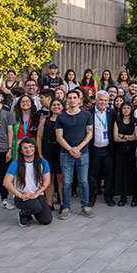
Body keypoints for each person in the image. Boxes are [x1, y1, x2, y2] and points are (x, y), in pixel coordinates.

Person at [55, 89, 94, 220]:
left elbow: (89, 134)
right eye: (69, 98)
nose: (72, 100)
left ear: (79, 100)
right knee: (66, 182)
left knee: (83, 181)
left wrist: (78, 148)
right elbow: (59, 137)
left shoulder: (87, 115)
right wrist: (71, 149)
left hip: (83, 153)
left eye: (74, 98)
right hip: (66, 154)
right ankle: (66, 207)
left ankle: (85, 206)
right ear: (66, 100)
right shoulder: (61, 117)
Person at [3, 137, 52, 226]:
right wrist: (20, 195)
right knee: (35, 206)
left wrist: (37, 193)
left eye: (31, 146)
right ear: (21, 151)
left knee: (46, 220)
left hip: (37, 194)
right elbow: (6, 182)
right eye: (25, 148)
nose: (28, 149)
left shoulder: (43, 162)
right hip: (22, 196)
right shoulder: (15, 164)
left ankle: (34, 210)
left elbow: (47, 181)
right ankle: (24, 214)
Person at [88, 90, 116, 207]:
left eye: (105, 100)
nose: (103, 102)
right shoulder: (88, 113)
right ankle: (92, 198)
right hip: (94, 149)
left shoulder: (111, 112)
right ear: (95, 100)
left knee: (109, 174)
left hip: (107, 149)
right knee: (93, 175)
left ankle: (108, 197)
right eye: (100, 99)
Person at [36, 98, 64, 210]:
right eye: (54, 105)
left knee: (61, 178)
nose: (56, 107)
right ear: (50, 107)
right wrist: (39, 153)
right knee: (49, 177)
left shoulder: (65, 120)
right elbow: (39, 137)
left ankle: (63, 203)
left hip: (61, 149)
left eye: (59, 104)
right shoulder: (44, 121)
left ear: (62, 106)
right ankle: (49, 203)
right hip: (48, 149)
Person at [113, 101, 137, 207]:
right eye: (124, 108)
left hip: (132, 151)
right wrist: (128, 138)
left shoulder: (135, 121)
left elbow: (135, 137)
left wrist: (122, 136)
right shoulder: (117, 121)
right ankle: (123, 197)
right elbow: (115, 138)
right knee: (121, 173)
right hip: (120, 151)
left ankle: (135, 197)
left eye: (128, 107)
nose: (126, 110)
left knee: (133, 174)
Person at [12, 95, 40, 160]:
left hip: (32, 143)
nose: (25, 103)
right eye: (22, 101)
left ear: (31, 103)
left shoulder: (36, 116)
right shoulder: (14, 116)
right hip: (18, 143)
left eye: (27, 101)